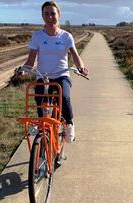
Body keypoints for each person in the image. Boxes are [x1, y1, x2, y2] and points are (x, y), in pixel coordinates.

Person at [21, 1, 88, 143]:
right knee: (39, 100)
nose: (50, 17)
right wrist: (23, 70)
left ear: (59, 15)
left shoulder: (66, 36)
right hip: (43, 76)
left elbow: (75, 56)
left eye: (53, 13)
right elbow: (30, 60)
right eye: (46, 14)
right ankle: (43, 129)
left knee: (64, 98)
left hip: (62, 75)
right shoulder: (37, 36)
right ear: (42, 16)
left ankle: (69, 124)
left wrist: (81, 67)